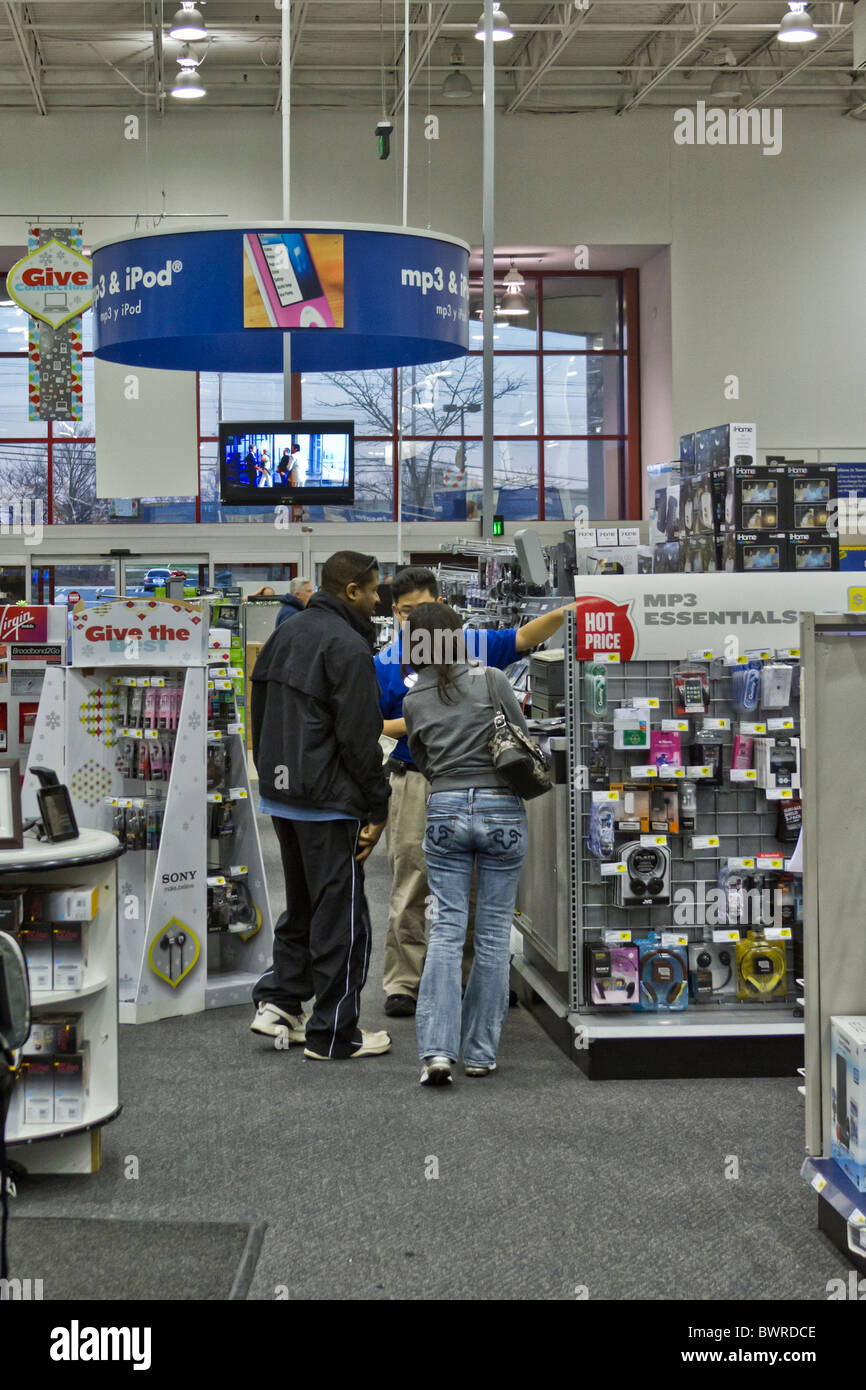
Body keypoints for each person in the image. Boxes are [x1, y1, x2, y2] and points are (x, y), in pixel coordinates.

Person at [375, 565, 574, 1018]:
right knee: (410, 881)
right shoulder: (384, 662)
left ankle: (470, 977)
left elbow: (524, 638)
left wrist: (573, 610)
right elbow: (372, 726)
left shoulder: (475, 645)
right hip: (413, 777)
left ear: (442, 607)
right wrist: (437, 713)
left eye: (423, 609)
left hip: (478, 783)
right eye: (406, 613)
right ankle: (404, 982)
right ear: (395, 614)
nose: (414, 620)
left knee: (471, 889)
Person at [249, 550, 392, 1060]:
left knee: (305, 904)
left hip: (283, 794)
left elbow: (258, 711)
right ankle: (335, 1034)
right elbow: (360, 737)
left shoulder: (285, 632)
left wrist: (271, 776)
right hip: (329, 800)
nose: (378, 601)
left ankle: (282, 1001)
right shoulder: (348, 647)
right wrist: (378, 806)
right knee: (342, 917)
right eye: (374, 591)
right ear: (352, 590)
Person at [403, 603, 529, 1086]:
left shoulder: (415, 700)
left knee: (446, 929)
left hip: (444, 811)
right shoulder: (493, 680)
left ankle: (437, 1053)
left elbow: (422, 759)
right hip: (501, 810)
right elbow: (519, 736)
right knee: (494, 933)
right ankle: (479, 1053)